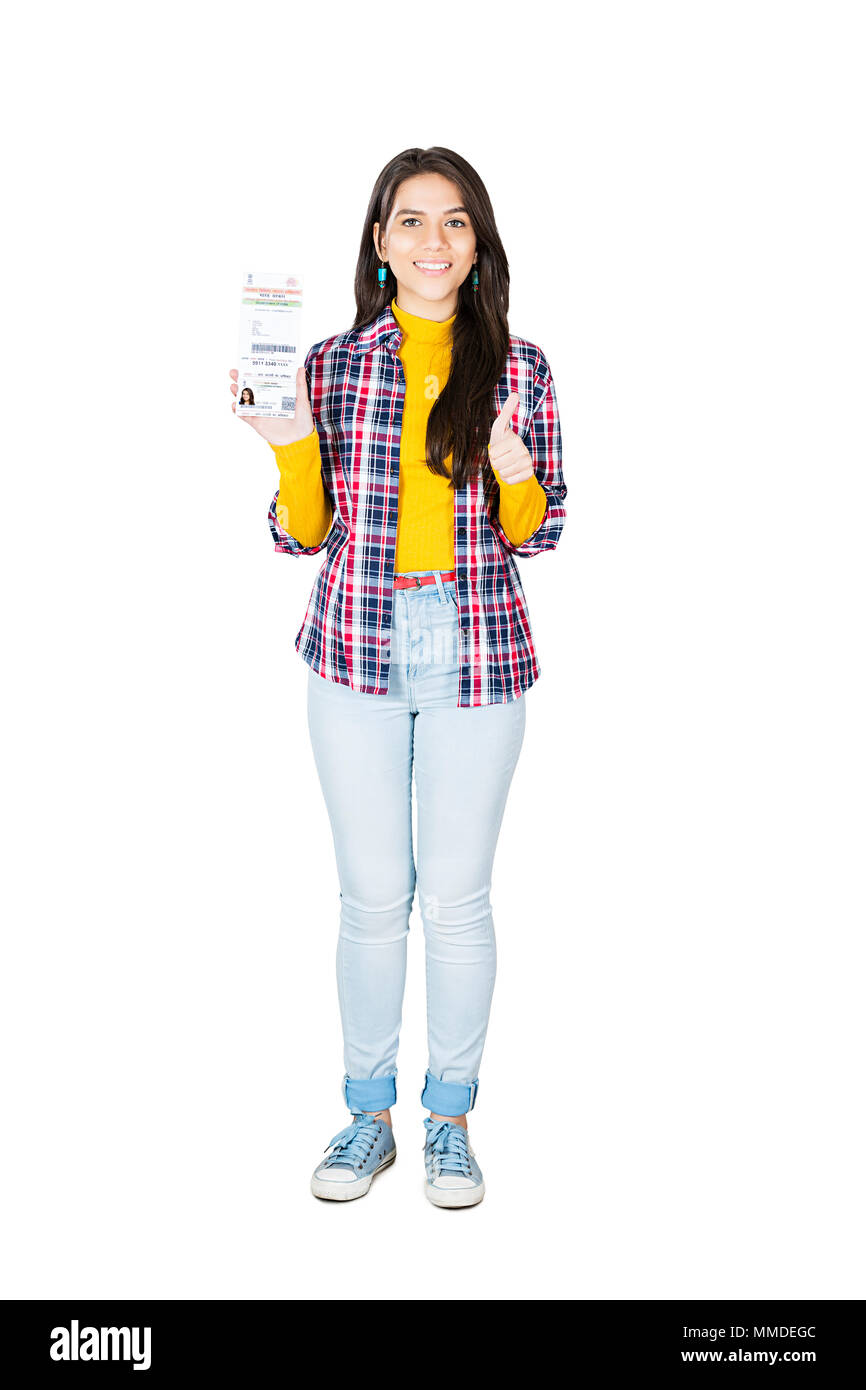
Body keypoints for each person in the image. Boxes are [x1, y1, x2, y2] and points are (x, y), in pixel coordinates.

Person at [229, 146, 567, 1208]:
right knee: (374, 898)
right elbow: (301, 534)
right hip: (355, 650)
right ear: (378, 245)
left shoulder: (522, 366)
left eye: (455, 222)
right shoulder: (326, 364)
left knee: (457, 901)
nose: (433, 241)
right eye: (410, 222)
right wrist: (288, 446)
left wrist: (514, 468)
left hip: (475, 650)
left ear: (479, 246)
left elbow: (540, 527)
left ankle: (449, 1120)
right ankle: (364, 1114)